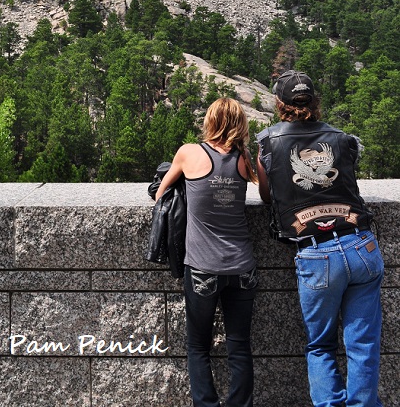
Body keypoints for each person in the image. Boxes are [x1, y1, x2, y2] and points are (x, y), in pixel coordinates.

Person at [256, 70, 384, 407]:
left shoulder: (268, 143)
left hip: (316, 252)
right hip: (361, 243)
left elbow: (267, 196)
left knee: (321, 345)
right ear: (315, 101)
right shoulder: (343, 138)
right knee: (363, 343)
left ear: (279, 104)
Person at [155, 98, 259, 407]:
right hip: (242, 266)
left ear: (210, 121)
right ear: (240, 123)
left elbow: (161, 195)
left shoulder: (189, 152)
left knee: (198, 346)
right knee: (239, 346)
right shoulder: (245, 158)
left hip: (202, 267)